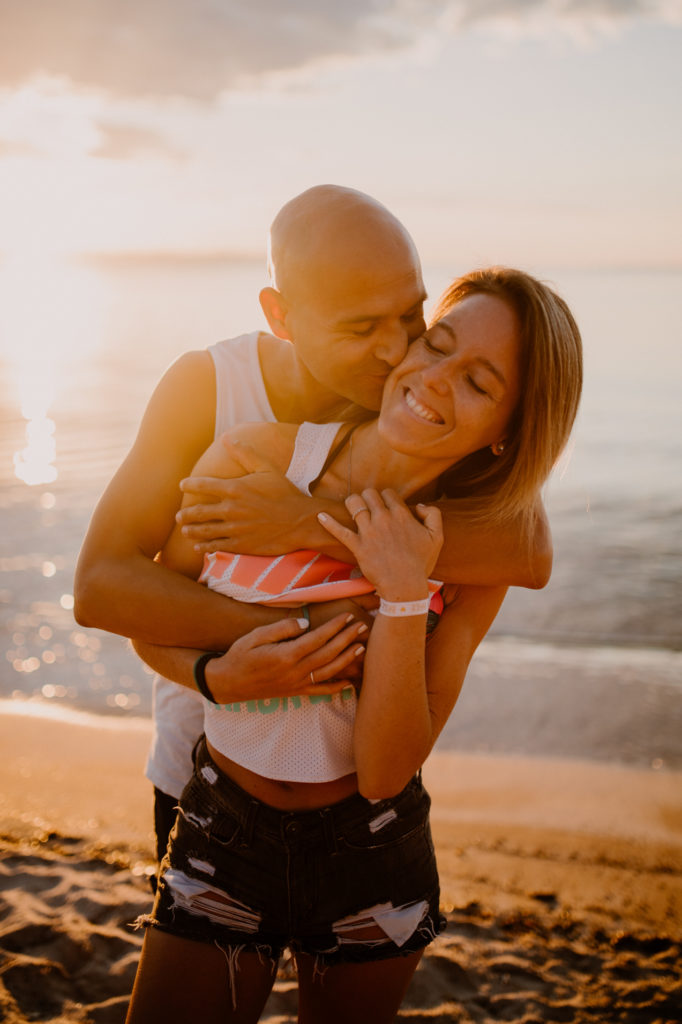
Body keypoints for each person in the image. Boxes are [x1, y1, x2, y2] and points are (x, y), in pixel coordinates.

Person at [125, 267, 583, 1024]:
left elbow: (384, 769)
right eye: (437, 345)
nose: (434, 380)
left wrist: (404, 592)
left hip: (373, 852)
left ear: (509, 426)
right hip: (223, 830)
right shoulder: (251, 462)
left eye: (477, 381)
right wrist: (214, 676)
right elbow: (152, 621)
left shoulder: (475, 563)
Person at [74, 186, 552, 861]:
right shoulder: (211, 391)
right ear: (283, 317)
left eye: (411, 314)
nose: (396, 351)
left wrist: (307, 521)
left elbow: (528, 551)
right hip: (200, 773)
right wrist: (298, 641)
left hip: (349, 797)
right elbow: (101, 587)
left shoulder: (419, 413)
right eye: (361, 328)